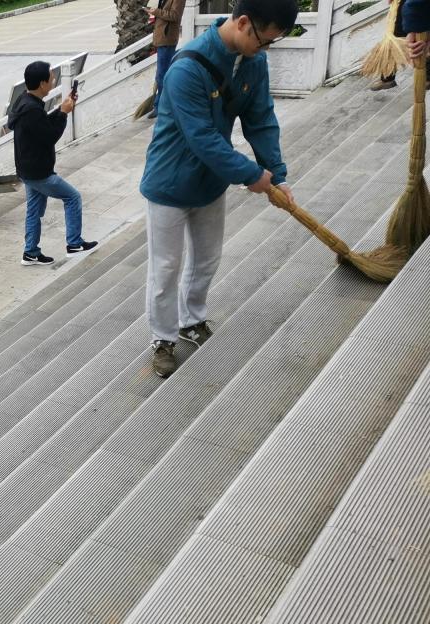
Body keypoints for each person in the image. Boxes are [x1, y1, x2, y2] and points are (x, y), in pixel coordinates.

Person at [139, 0, 297, 378]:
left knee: (207, 259)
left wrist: (277, 175)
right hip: (169, 184)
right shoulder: (186, 68)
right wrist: (250, 174)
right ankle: (162, 338)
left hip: (211, 182)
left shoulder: (254, 61)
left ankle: (191, 320)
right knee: (165, 267)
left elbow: (260, 119)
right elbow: (203, 138)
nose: (265, 49)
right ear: (242, 23)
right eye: (264, 40)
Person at [8, 61, 98, 266]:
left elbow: (42, 126)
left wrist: (60, 109)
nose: (54, 79)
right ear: (42, 84)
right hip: (39, 172)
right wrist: (64, 113)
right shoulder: (32, 109)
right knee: (72, 197)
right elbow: (49, 136)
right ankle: (74, 244)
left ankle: (31, 252)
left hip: (27, 169)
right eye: (51, 78)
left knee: (33, 210)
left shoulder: (25, 101)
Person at [146, 0, 189, 116]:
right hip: (161, 38)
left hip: (167, 39)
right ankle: (161, 105)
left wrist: (156, 12)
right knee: (162, 74)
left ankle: (161, 106)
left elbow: (175, 16)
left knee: (162, 75)